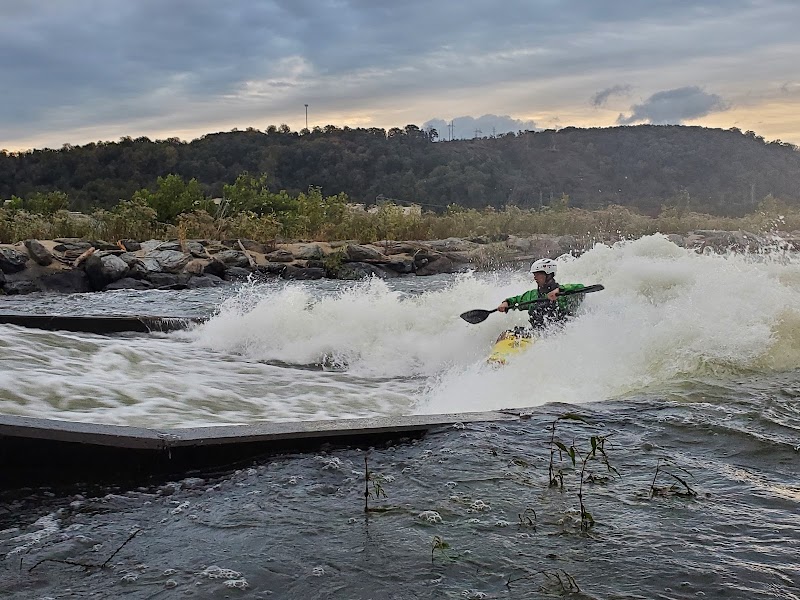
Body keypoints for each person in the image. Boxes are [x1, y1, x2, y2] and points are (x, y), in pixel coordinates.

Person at [497, 258, 586, 331]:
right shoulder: (533, 295)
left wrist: (559, 291)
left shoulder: (564, 293)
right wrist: (507, 303)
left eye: (538, 274)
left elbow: (581, 288)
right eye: (534, 274)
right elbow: (516, 300)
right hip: (537, 335)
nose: (535, 277)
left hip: (561, 333)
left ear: (549, 275)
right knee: (511, 333)